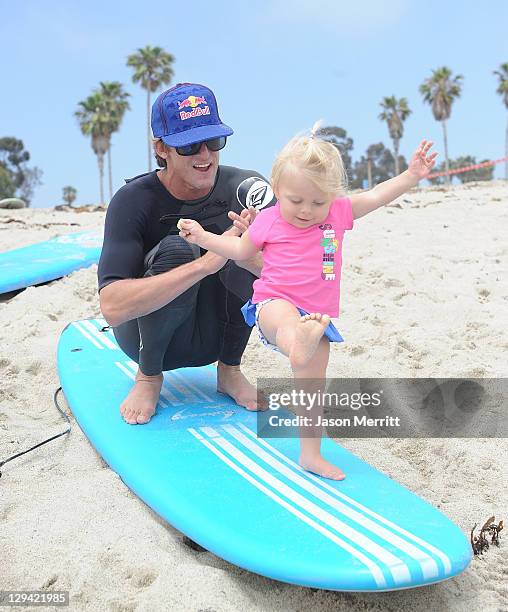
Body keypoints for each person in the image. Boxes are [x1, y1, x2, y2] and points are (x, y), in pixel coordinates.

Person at [178, 124, 438, 480]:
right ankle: (295, 343)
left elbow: (377, 195)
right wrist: (204, 236)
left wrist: (411, 175)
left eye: (318, 202)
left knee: (312, 390)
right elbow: (239, 249)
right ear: (277, 191)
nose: (306, 210)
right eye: (295, 200)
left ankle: (311, 454)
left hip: (316, 318)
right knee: (289, 325)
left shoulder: (338, 214)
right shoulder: (268, 219)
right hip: (273, 302)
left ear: (331, 197)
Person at [98, 82, 276, 425]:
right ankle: (148, 378)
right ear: (161, 147)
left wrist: (240, 251)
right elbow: (113, 308)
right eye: (189, 146)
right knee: (179, 249)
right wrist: (206, 263)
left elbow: (293, 274)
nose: (205, 155)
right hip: (144, 340)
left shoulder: (247, 189)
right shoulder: (133, 200)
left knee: (241, 245)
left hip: (217, 335)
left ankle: (230, 370)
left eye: (213, 141)